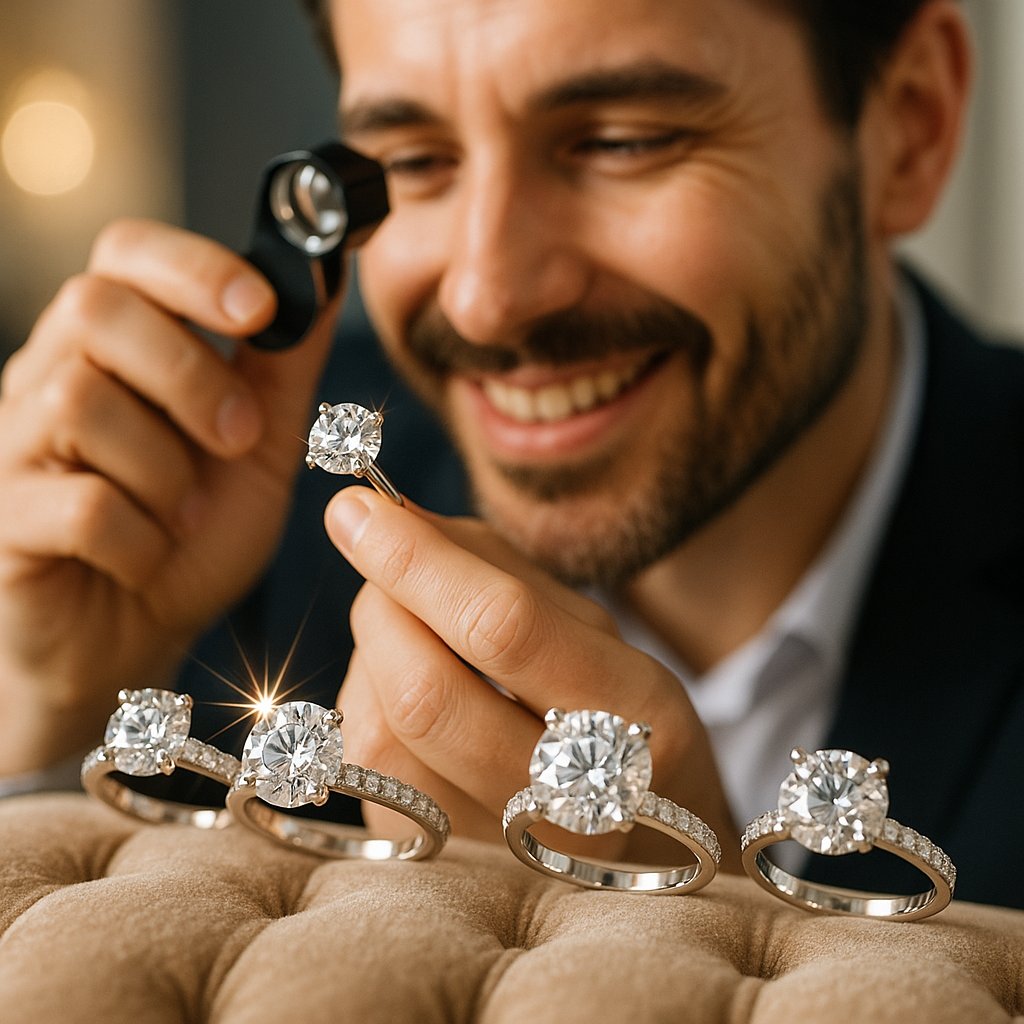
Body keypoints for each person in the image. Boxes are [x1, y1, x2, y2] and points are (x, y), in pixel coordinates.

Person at [0, 0, 1021, 908]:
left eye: (622, 141)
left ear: (909, 131)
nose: (485, 297)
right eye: (410, 162)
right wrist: (45, 705)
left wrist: (708, 948)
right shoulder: (228, 506)